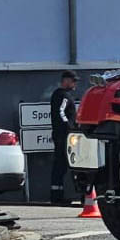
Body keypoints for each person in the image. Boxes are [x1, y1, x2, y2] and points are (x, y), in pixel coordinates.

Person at [50, 70, 79, 205]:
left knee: (61, 165)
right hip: (65, 136)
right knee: (66, 164)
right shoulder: (62, 95)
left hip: (63, 135)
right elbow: (61, 113)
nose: (75, 84)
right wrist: (70, 128)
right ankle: (57, 197)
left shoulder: (64, 95)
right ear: (66, 81)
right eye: (73, 81)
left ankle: (57, 195)